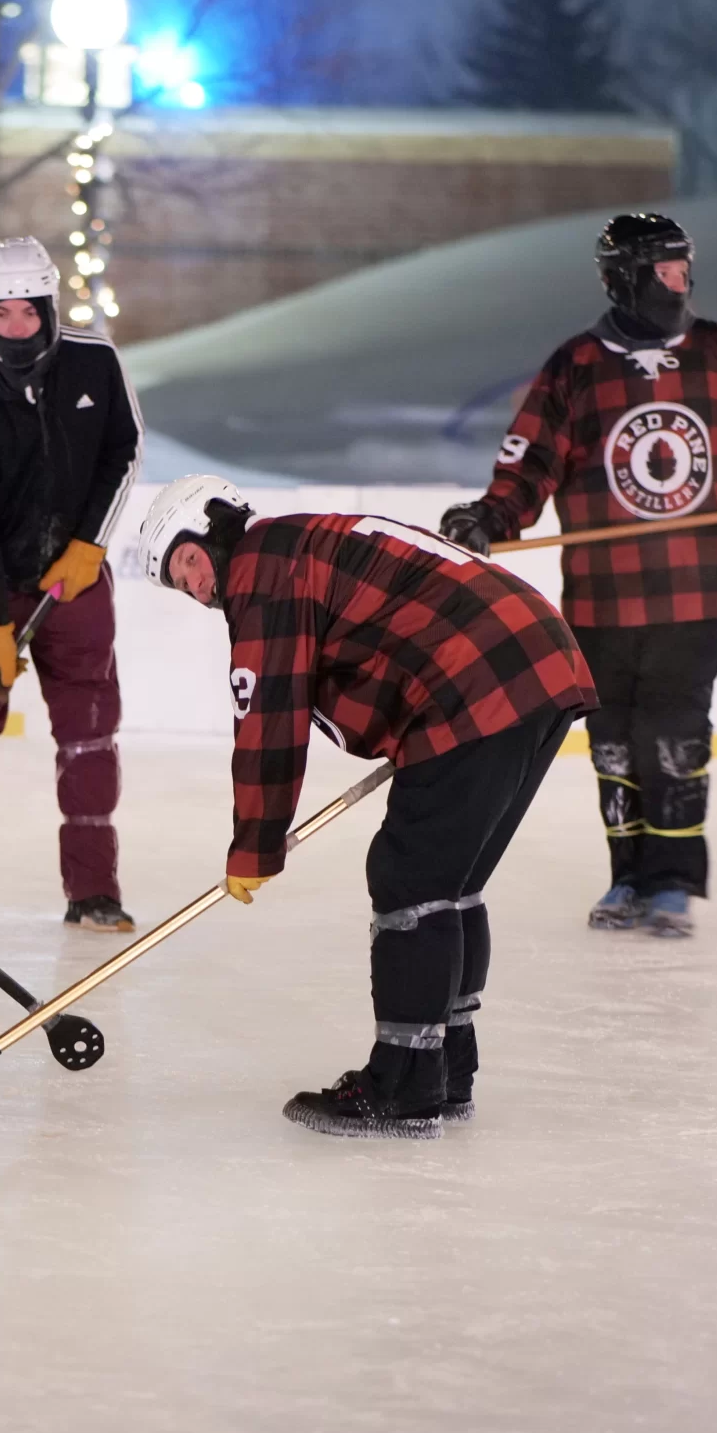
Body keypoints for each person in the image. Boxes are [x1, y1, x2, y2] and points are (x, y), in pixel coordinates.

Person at [141, 474, 595, 1138]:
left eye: (186, 561)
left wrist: (255, 843)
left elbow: (269, 714)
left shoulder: (261, 569)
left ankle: (406, 1086)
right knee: (451, 884)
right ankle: (446, 1069)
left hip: (477, 679)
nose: (195, 586)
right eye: (179, 584)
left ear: (216, 522)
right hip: (537, 662)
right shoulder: (301, 541)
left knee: (410, 878)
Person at [438, 212, 717, 937]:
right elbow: (527, 468)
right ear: (627, 277)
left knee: (673, 731)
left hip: (697, 587)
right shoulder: (576, 367)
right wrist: (490, 519)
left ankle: (674, 882)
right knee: (614, 737)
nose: (683, 283)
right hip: (601, 593)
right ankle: (628, 877)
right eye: (669, 270)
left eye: (687, 269)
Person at [0, 236, 144, 932]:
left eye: (28, 313)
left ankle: (94, 892)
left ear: (49, 306)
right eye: (1, 314)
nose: (16, 328)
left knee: (89, 735)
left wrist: (88, 544)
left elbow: (123, 450)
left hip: (73, 585)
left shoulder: (96, 362)